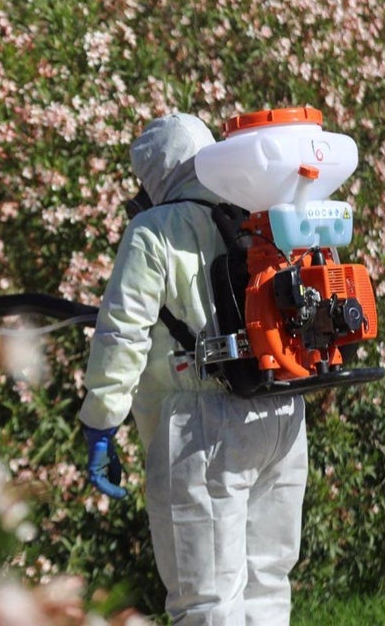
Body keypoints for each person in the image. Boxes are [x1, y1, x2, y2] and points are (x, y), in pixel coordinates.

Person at [78, 112, 308, 626]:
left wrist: (101, 420)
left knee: (205, 600)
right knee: (268, 584)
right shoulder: (261, 212)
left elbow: (123, 333)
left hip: (208, 427)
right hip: (283, 411)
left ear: (155, 172)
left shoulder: (154, 229)